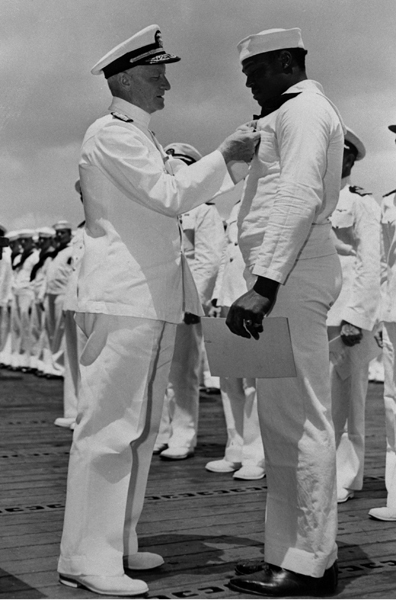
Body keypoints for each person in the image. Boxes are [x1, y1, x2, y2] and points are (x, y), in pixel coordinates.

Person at [57, 24, 259, 597]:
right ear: (125, 79)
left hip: (149, 302)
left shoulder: (141, 138)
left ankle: (116, 543)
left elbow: (181, 195)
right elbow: (171, 198)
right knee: (108, 429)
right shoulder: (113, 135)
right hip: (124, 301)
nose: (166, 84)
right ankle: (85, 557)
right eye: (156, 74)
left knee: (139, 430)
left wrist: (230, 165)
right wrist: (226, 154)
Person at [226, 28, 345, 597]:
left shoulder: (304, 111)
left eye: (255, 72)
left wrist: (266, 283)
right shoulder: (288, 113)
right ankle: (288, 552)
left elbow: (297, 194)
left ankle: (309, 561)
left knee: (302, 419)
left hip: (290, 274)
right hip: (279, 275)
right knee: (279, 420)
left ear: (284, 63)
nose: (249, 84)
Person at [154, 142, 225, 460]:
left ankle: (183, 434)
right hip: (159, 300)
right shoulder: (161, 208)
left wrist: (193, 302)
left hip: (186, 302)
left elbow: (209, 259)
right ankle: (163, 431)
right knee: (159, 370)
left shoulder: (205, 211)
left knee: (183, 372)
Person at [327, 128, 381, 504]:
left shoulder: (360, 203)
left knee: (347, 398)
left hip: (345, 313)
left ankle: (346, 477)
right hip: (316, 311)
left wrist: (356, 317)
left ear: (349, 159)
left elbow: (370, 263)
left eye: (338, 154)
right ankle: (324, 470)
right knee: (320, 400)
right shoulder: (315, 198)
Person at [205, 200, 265, 480]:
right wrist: (216, 296)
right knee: (229, 381)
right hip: (228, 299)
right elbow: (225, 255)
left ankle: (255, 456)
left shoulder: (272, 197)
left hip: (251, 298)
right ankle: (235, 449)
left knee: (254, 382)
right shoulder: (238, 205)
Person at [368, 123, 396, 521]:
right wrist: (376, 311)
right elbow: (383, 264)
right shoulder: (390, 202)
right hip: (394, 315)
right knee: (393, 404)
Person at [42, 221, 73, 378]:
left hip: (63, 294)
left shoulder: (72, 251)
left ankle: (59, 368)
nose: (60, 236)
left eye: (63, 233)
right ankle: (51, 365)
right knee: (51, 331)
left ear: (69, 234)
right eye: (58, 233)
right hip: (50, 294)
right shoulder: (56, 253)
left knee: (61, 332)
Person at [29, 227, 56, 374]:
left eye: (43, 239)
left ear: (51, 240)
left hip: (44, 298)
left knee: (47, 331)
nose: (40, 242)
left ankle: (48, 365)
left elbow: (47, 279)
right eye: (40, 239)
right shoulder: (42, 255)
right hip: (36, 297)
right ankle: (38, 363)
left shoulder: (51, 256)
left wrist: (40, 297)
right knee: (36, 329)